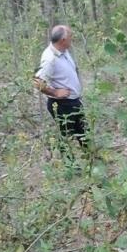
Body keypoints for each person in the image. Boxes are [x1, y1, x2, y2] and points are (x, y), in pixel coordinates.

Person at [34, 25, 90, 163]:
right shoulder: (50, 59)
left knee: (83, 131)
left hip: (74, 101)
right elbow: (37, 82)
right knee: (67, 136)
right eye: (70, 36)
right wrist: (55, 92)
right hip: (61, 105)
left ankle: (92, 157)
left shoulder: (63, 51)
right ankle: (70, 167)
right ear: (64, 40)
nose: (72, 39)